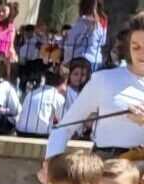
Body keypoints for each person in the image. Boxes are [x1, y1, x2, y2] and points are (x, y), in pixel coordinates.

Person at [48, 15, 144, 157]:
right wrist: (50, 164)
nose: (142, 53)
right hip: (106, 167)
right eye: (136, 47)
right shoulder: (104, 79)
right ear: (127, 47)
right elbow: (64, 128)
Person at [16, 60, 69, 136]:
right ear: (63, 82)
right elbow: (65, 121)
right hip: (42, 134)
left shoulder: (31, 94)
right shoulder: (58, 97)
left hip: (21, 132)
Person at [67, 0, 107, 68]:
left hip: (81, 59)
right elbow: (103, 41)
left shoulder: (80, 22)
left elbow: (71, 41)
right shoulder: (101, 21)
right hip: (96, 60)